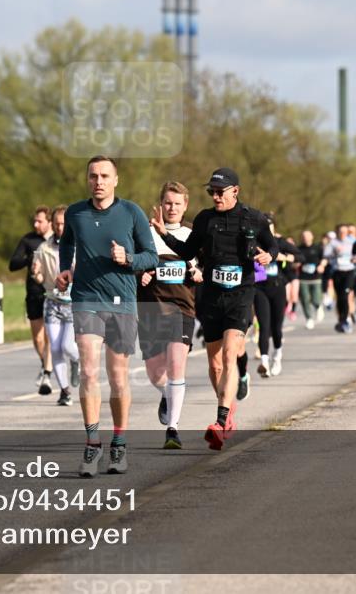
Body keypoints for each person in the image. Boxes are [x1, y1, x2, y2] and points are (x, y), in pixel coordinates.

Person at [152, 167, 276, 451]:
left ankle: (220, 422)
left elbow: (273, 245)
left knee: (231, 354)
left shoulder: (254, 218)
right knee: (215, 364)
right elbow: (187, 252)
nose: (216, 197)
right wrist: (164, 235)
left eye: (220, 192)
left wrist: (269, 256)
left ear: (235, 191)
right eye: (212, 192)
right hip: (211, 297)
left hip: (240, 296)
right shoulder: (205, 219)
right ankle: (228, 407)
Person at [57, 156, 158, 476]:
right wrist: (64, 269)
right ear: (87, 180)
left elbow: (151, 257)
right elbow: (66, 242)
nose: (98, 181)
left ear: (116, 180)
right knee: (88, 371)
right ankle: (92, 443)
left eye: (104, 176)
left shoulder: (131, 212)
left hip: (122, 302)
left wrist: (127, 258)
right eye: (93, 176)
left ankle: (119, 443)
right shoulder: (75, 212)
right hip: (85, 299)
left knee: (117, 376)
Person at [135, 182, 200, 448]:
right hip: (150, 308)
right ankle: (167, 394)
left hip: (181, 309)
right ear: (160, 205)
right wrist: (141, 273)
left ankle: (173, 429)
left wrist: (199, 272)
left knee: (176, 365)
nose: (172, 208)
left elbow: (207, 265)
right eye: (167, 203)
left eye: (177, 203)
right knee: (155, 373)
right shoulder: (146, 234)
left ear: (185, 206)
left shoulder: (193, 234)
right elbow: (132, 263)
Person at [32, 205, 80, 408]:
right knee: (55, 347)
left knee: (68, 346)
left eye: (64, 224)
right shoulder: (44, 248)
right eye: (57, 224)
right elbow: (40, 276)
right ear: (52, 224)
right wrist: (37, 274)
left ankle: (76, 361)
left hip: (73, 303)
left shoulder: (78, 245)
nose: (60, 228)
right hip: (52, 302)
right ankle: (65, 391)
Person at [9, 206, 53, 394]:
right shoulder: (28, 240)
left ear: (49, 222)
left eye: (39, 221)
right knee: (38, 337)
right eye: (34, 221)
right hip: (34, 292)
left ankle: (48, 371)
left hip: (53, 293)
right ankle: (45, 364)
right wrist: (30, 259)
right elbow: (12, 264)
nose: (35, 224)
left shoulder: (58, 239)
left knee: (50, 335)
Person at [252, 213, 299, 377]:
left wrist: (282, 257)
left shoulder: (279, 242)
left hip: (278, 288)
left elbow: (301, 256)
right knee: (263, 326)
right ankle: (264, 362)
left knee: (276, 328)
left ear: (273, 227)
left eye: (268, 226)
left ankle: (277, 356)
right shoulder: (254, 242)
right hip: (259, 288)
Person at [296, 230, 326, 329]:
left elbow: (324, 259)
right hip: (303, 278)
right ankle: (309, 318)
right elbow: (294, 261)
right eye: (304, 236)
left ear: (312, 237)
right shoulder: (298, 249)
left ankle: (318, 306)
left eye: (308, 236)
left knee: (315, 299)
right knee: (305, 299)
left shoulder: (318, 248)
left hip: (316, 278)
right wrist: (296, 264)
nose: (306, 238)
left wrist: (322, 265)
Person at [329, 224, 356, 333]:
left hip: (349, 271)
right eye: (340, 232)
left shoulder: (353, 242)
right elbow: (326, 255)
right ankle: (341, 319)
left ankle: (345, 319)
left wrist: (355, 258)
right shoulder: (333, 243)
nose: (343, 234)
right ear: (337, 232)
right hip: (337, 272)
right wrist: (334, 252)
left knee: (345, 295)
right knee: (340, 297)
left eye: (345, 232)